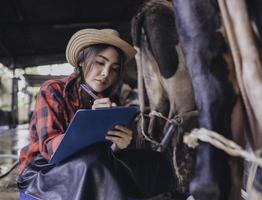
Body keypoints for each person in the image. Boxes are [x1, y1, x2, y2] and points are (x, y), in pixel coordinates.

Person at [17, 28, 174, 200]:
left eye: (114, 68)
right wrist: (87, 124)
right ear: (82, 60)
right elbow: (49, 149)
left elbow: (107, 151)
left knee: (154, 159)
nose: (106, 73)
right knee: (92, 162)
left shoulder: (108, 100)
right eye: (100, 62)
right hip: (44, 169)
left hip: (92, 163)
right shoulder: (53, 89)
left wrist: (118, 145)